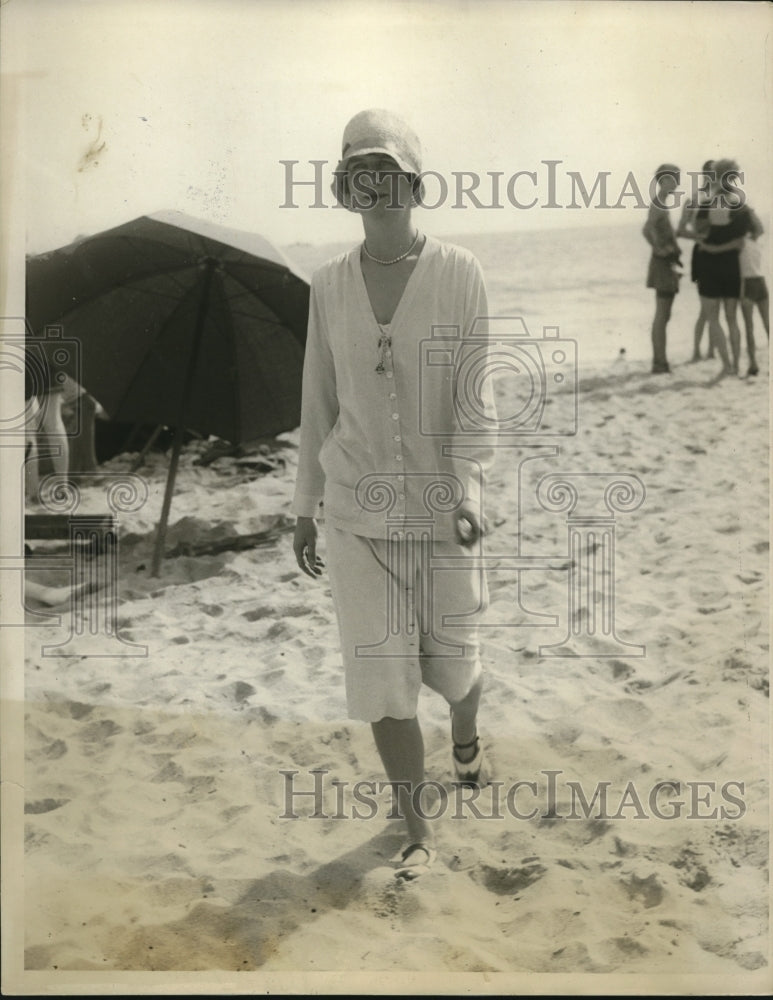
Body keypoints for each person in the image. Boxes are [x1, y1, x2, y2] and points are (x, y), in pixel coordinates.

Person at [291, 109, 497, 881]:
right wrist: (302, 506)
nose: (373, 186)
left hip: (445, 512)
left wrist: (470, 490)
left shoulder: (458, 273)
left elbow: (476, 399)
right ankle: (417, 831)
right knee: (383, 682)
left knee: (456, 670)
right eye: (357, 174)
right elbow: (317, 401)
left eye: (387, 172)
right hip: (353, 513)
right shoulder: (327, 286)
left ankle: (468, 736)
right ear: (346, 189)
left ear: (413, 183)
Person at [694, 158, 760, 376]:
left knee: (713, 317)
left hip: (709, 265)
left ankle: (727, 365)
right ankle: (737, 365)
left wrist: (711, 246)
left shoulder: (707, 203)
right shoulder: (740, 205)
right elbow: (754, 232)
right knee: (732, 317)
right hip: (732, 265)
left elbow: (699, 231)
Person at [643, 164, 683, 373]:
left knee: (664, 314)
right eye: (675, 178)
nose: (678, 183)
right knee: (662, 314)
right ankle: (659, 362)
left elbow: (650, 228)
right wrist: (661, 249)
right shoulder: (659, 204)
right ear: (665, 180)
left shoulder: (661, 204)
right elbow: (647, 228)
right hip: (662, 265)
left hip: (665, 264)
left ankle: (660, 361)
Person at [676, 159, 715, 361]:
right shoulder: (694, 199)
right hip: (703, 255)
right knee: (706, 306)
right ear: (704, 174)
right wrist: (700, 237)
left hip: (723, 255)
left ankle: (711, 351)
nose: (713, 176)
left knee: (718, 307)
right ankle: (697, 351)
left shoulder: (725, 199)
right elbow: (680, 230)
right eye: (709, 172)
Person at [739, 211, 769, 376]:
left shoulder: (739, 243)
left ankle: (753, 363)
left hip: (747, 282)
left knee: (749, 326)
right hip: (761, 281)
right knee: (767, 324)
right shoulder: (756, 242)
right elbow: (760, 229)